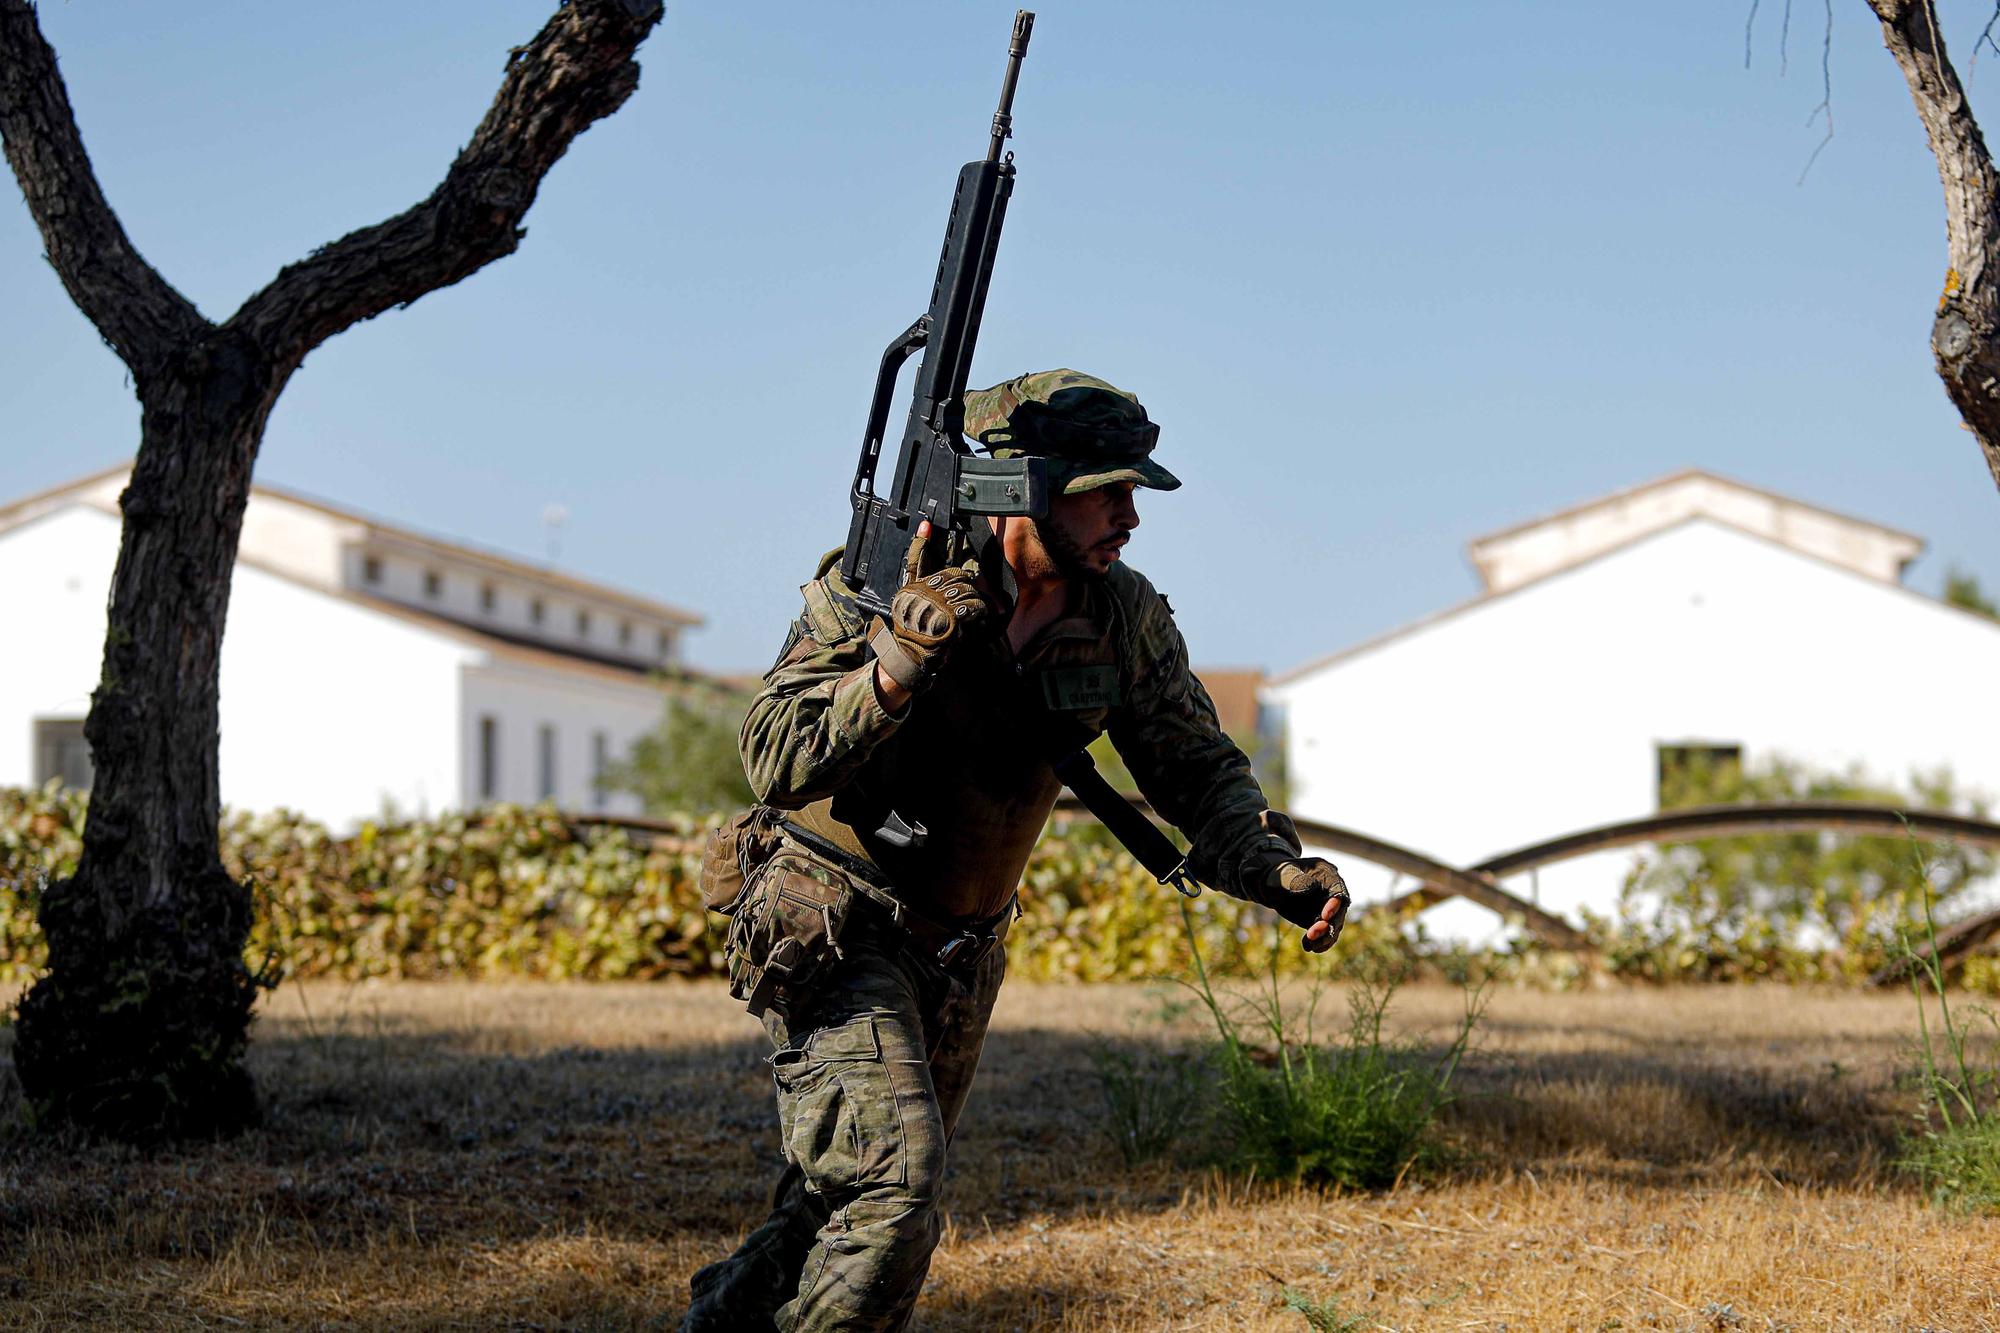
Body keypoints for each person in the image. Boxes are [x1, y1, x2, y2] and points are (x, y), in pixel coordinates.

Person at [681, 369, 1350, 1332]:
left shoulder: (1121, 614)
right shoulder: (881, 579)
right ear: (1021, 488)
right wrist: (894, 670)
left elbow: (1194, 765)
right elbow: (772, 754)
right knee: (894, 1193)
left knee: (839, 1202)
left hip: (961, 949)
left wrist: (1270, 868)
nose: (1130, 513)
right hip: (834, 919)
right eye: (1107, 489)